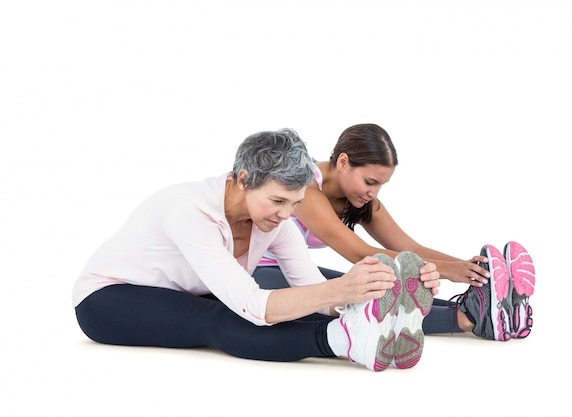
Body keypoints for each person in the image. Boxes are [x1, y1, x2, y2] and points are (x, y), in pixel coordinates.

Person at [72, 128, 441, 372]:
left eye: (295, 203)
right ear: (243, 178)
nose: (285, 215)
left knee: (290, 306)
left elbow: (309, 287)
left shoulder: (274, 222)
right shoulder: (189, 210)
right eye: (277, 200)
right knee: (220, 319)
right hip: (108, 300)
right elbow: (255, 305)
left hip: (179, 295)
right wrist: (342, 288)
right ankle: (343, 340)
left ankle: (367, 325)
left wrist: (376, 288)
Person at [253, 123, 536, 342]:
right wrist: (447, 271)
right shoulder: (304, 186)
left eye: (381, 185)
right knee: (361, 294)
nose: (373, 193)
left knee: (382, 285)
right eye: (369, 181)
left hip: (294, 268)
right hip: (255, 270)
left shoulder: (362, 201)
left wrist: (466, 267)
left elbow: (411, 248)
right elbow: (359, 253)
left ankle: (488, 307)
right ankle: (467, 318)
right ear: (342, 162)